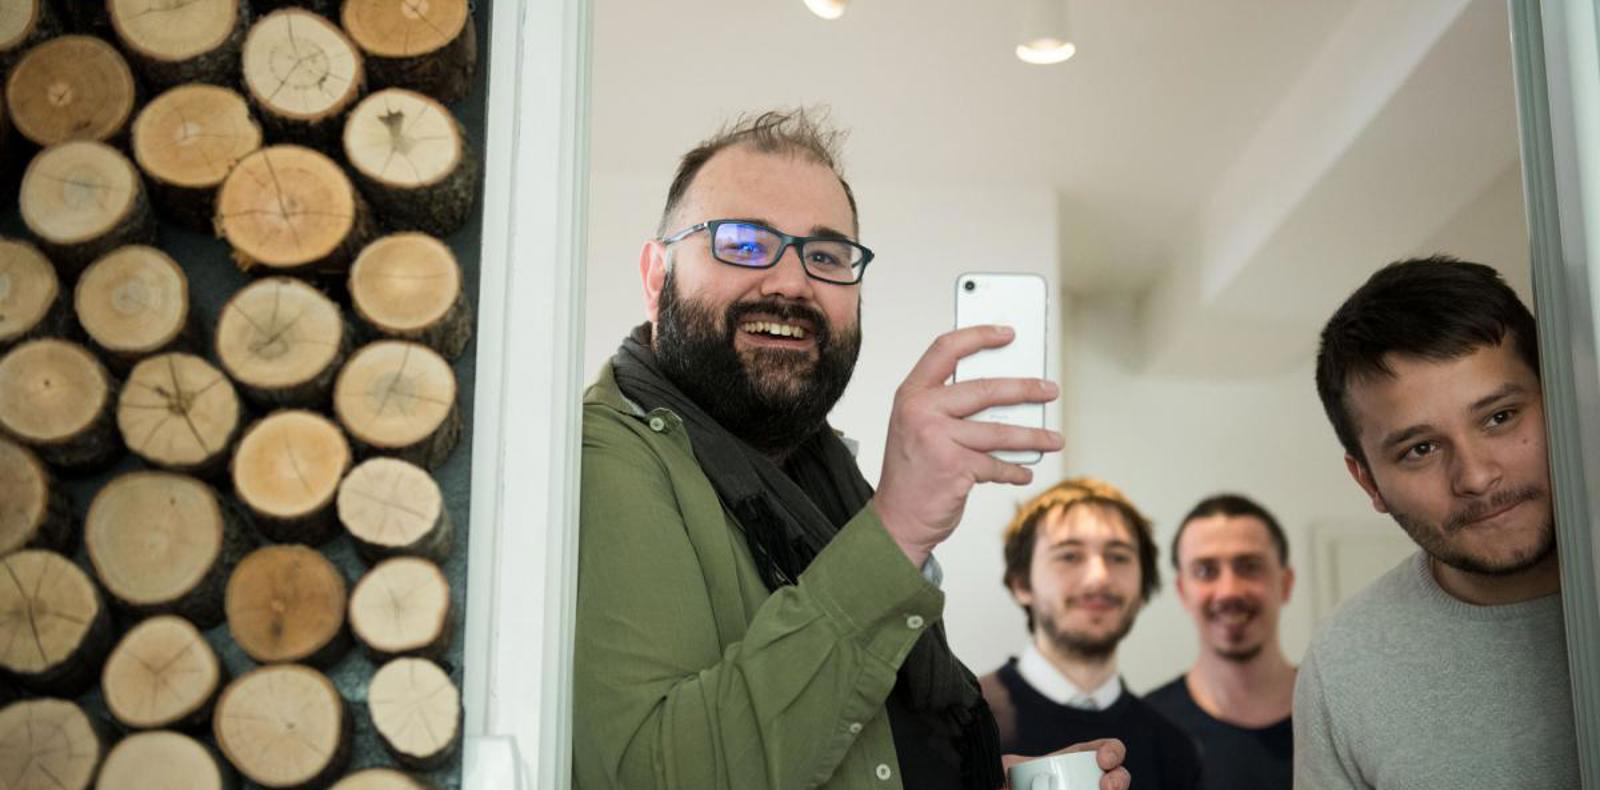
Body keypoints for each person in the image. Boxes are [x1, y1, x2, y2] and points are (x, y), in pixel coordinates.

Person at [573, 109, 1129, 790]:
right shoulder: (603, 458)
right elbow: (658, 776)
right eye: (744, 244)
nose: (790, 283)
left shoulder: (820, 476)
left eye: (827, 256)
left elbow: (847, 743)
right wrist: (896, 531)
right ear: (656, 276)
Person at [1296, 256, 1581, 788]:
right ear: (1368, 483)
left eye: (1500, 417)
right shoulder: (1344, 665)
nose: (1475, 477)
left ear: (1561, 397)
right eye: (1420, 448)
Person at [979, 478, 1201, 790]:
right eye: (1069, 555)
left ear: (1143, 586)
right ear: (1021, 583)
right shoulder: (961, 722)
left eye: (1119, 556)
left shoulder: (1173, 747)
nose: (1099, 577)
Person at [1147, 494, 1295, 790]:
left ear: (1286, 583)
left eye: (1249, 566)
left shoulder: (1339, 714)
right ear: (1182, 591)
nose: (1228, 591)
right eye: (1205, 571)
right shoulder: (1147, 731)